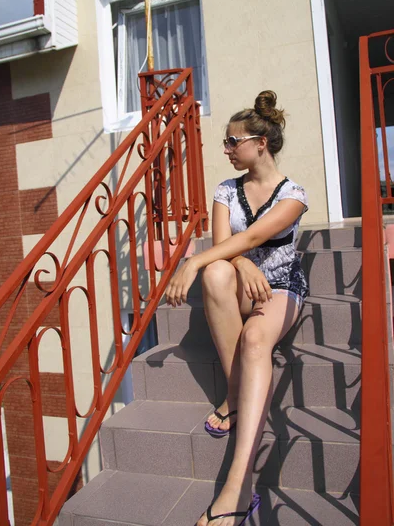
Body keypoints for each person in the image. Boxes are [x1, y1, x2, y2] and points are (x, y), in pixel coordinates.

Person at [165, 90, 309, 526]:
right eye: (226, 142)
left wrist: (193, 261)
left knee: (252, 339)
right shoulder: (226, 190)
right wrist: (239, 263)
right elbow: (227, 246)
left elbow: (246, 238)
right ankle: (234, 393)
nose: (226, 149)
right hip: (242, 285)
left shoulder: (294, 195)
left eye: (233, 141)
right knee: (217, 273)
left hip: (282, 288)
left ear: (259, 142)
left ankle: (238, 487)